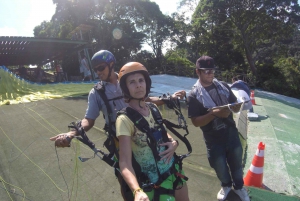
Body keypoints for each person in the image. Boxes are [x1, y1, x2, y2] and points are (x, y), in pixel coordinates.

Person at [49, 50, 186, 200]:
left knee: (162, 167)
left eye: (100, 68)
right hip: (121, 140)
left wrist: (168, 98)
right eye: (95, 69)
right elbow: (89, 120)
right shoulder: (96, 93)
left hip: (143, 135)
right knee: (126, 182)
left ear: (111, 64)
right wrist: (72, 133)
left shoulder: (127, 80)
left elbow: (145, 100)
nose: (97, 72)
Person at [116, 62, 189, 201]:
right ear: (125, 88)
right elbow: (124, 162)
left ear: (146, 83)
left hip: (173, 171)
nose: (138, 85)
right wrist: (137, 191)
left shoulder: (153, 108)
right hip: (153, 182)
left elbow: (162, 133)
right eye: (132, 82)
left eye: (141, 80)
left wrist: (174, 142)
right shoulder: (124, 120)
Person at [187, 56, 250, 201]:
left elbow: (233, 102)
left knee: (237, 164)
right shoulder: (194, 95)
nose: (210, 74)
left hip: (231, 134)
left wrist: (236, 105)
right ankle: (226, 186)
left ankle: (239, 187)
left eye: (212, 70)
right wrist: (213, 114)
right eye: (206, 71)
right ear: (198, 72)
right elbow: (196, 122)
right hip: (213, 139)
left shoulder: (222, 85)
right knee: (219, 166)